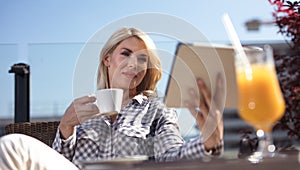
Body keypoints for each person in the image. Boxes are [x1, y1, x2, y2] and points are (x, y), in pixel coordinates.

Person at [0, 27, 224, 170]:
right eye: (126, 54)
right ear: (107, 60)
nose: (133, 64)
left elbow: (172, 156)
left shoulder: (158, 110)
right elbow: (60, 163)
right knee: (13, 145)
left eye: (142, 58)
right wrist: (66, 128)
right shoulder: (83, 110)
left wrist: (207, 144)